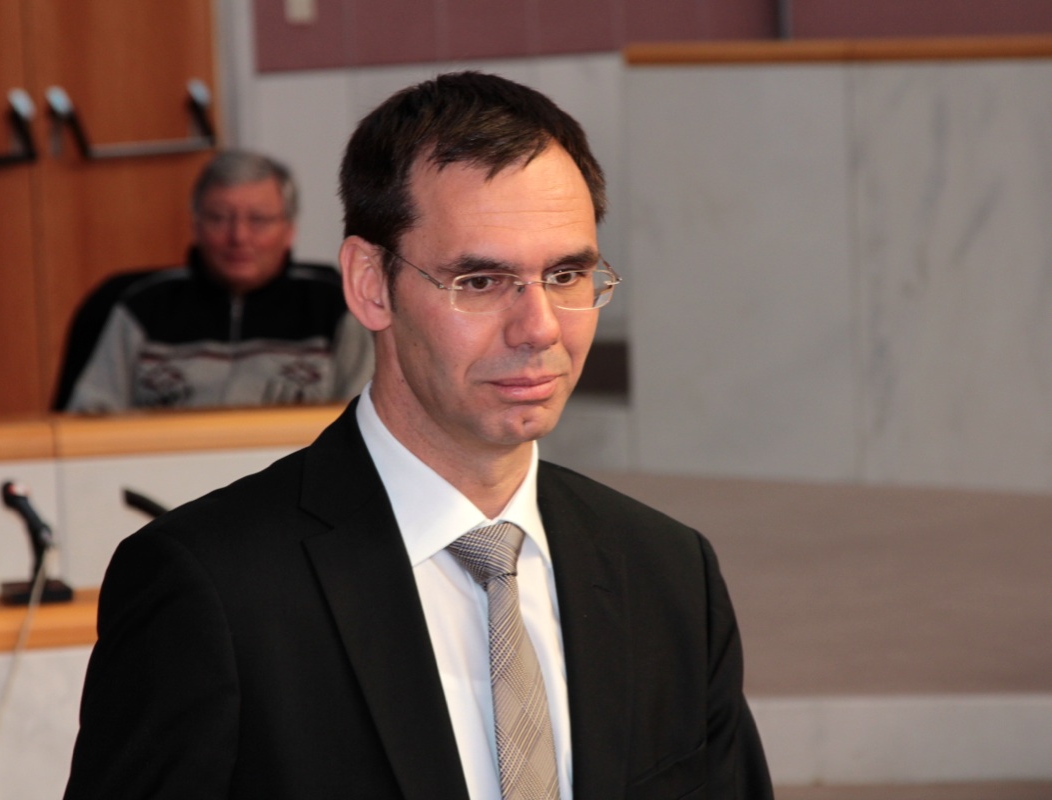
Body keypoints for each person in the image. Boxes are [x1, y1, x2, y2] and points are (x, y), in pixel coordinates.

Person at [64, 72, 772, 799]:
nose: (539, 329)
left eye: (565, 274)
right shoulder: (210, 587)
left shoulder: (668, 572)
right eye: (480, 281)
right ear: (370, 285)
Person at [61, 150, 373, 412]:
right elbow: (88, 418)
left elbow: (366, 421)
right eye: (219, 218)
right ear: (195, 226)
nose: (239, 237)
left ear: (289, 230)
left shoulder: (335, 307)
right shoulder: (140, 308)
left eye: (258, 220)